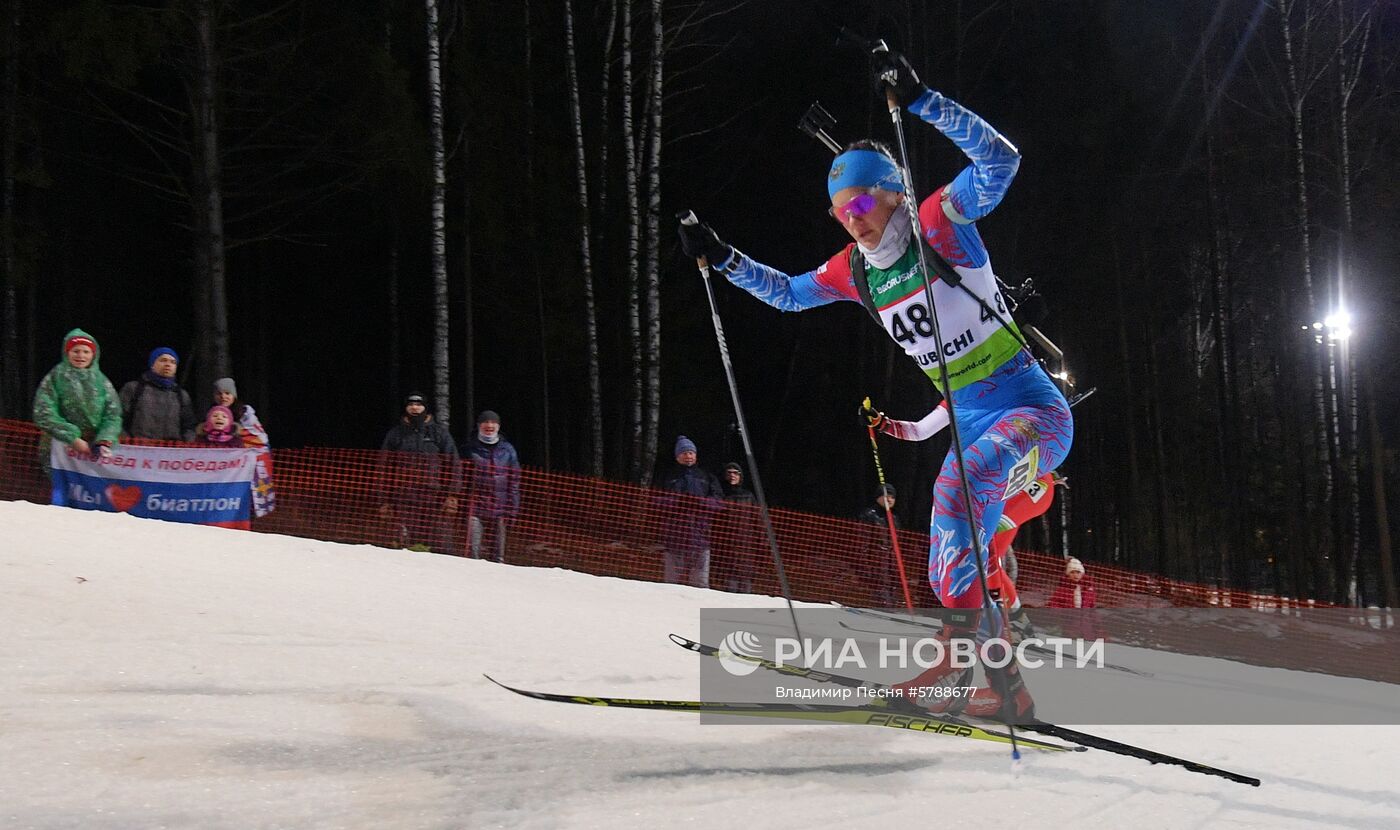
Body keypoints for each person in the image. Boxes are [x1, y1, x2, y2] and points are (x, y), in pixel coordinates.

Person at [678, 49, 1073, 721]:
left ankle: (969, 673)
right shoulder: (853, 271)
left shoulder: (939, 222)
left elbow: (1002, 162)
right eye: (838, 211)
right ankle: (999, 685)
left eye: (861, 200)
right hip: (974, 423)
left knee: (957, 488)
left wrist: (923, 101)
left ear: (892, 190)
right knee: (947, 554)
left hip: (1033, 411)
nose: (852, 218)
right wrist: (722, 256)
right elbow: (787, 295)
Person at [378, 392, 460, 553]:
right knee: (403, 544)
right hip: (403, 498)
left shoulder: (439, 433)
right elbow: (384, 468)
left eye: (418, 404)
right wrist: (383, 499)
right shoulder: (396, 434)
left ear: (425, 407)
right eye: (411, 404)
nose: (415, 408)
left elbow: (454, 464)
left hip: (434, 498)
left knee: (438, 544)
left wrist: (452, 494)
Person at [32, 329, 123, 471]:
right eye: (76, 351)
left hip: (92, 449)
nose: (81, 356)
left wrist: (104, 440)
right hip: (59, 448)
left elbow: (113, 415)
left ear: (93, 355)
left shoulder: (102, 381)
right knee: (62, 490)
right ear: (67, 353)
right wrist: (72, 438)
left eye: (86, 352)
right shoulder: (56, 377)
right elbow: (43, 412)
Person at [655, 436, 724, 588]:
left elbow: (719, 502)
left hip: (701, 537)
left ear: (696, 455)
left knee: (700, 584)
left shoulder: (706, 476)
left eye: (691, 453)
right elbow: (656, 500)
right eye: (684, 453)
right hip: (674, 537)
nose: (688, 456)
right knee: (671, 584)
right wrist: (677, 501)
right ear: (677, 456)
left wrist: (701, 502)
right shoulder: (668, 476)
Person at [206, 377, 275, 516]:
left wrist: (235, 433)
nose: (223, 397)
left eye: (227, 393)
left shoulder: (244, 412)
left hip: (246, 465)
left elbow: (259, 438)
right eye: (219, 394)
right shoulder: (212, 413)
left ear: (233, 395)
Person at [461, 410, 521, 563]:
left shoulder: (508, 450)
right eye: (485, 422)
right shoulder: (469, 448)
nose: (489, 425)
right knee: (472, 555)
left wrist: (512, 509)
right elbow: (462, 478)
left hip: (500, 509)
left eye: (493, 422)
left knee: (498, 557)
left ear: (498, 426)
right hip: (476, 508)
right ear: (479, 426)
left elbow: (514, 481)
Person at [119, 346, 197, 442]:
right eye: (163, 360)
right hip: (139, 450)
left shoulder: (181, 395)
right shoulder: (134, 389)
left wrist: (186, 445)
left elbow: (189, 426)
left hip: (171, 452)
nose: (168, 364)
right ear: (152, 364)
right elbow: (118, 419)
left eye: (173, 362)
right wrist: (127, 442)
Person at [714, 461, 762, 593]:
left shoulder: (748, 496)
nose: (732, 476)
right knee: (729, 589)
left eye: (735, 473)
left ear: (741, 476)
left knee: (745, 591)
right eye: (729, 473)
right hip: (726, 550)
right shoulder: (720, 495)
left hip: (746, 549)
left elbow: (758, 521)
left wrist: (762, 544)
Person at [856, 484, 903, 607]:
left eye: (892, 497)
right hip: (876, 565)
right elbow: (862, 542)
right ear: (878, 497)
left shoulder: (894, 518)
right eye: (886, 496)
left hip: (891, 566)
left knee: (892, 598)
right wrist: (864, 565)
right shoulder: (870, 515)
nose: (889, 499)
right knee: (881, 599)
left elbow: (897, 544)